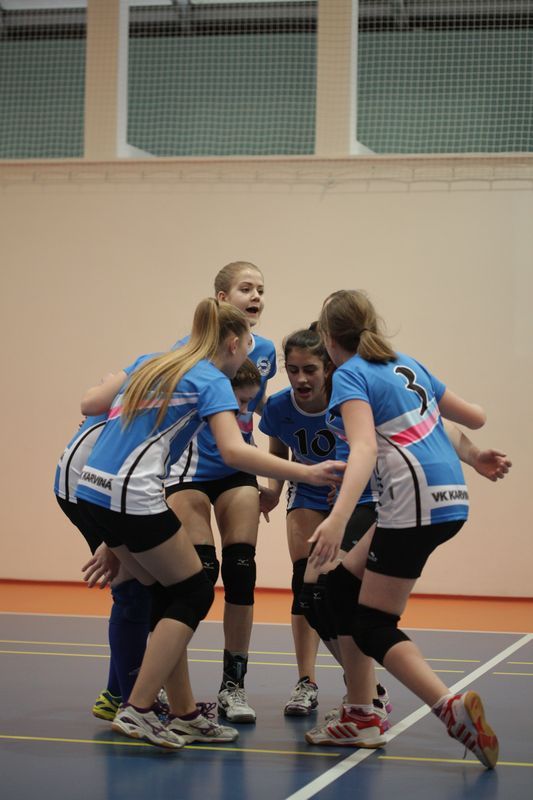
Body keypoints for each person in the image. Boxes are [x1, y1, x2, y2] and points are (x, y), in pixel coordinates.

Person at [74, 298, 345, 750]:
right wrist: (308, 472)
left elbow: (92, 402)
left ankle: (183, 713)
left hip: (91, 489)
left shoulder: (152, 361)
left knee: (166, 593)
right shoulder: (212, 379)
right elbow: (235, 452)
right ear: (234, 344)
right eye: (248, 348)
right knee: (194, 591)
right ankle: (139, 707)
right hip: (132, 493)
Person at [307, 289, 503, 769]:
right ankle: (360, 713)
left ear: (329, 338)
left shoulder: (350, 373)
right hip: (448, 496)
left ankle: (449, 708)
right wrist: (475, 454)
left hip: (412, 501)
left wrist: (337, 519)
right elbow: (471, 417)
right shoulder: (406, 364)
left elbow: (364, 449)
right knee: (338, 590)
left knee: (373, 624)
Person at [165, 261, 277, 724]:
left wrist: (276, 482)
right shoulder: (186, 351)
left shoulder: (265, 351)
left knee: (241, 571)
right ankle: (175, 691)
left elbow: (266, 410)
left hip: (238, 471)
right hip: (189, 472)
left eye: (261, 289)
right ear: (222, 298)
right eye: (246, 288)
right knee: (198, 576)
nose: (256, 296)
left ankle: (234, 686)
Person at [259, 327, 388, 719]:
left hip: (359, 499)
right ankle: (307, 682)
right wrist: (274, 489)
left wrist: (347, 488)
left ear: (327, 368)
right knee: (304, 589)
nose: (301, 378)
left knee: (334, 590)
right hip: (307, 496)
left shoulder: (349, 401)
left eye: (310, 370)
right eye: (293, 369)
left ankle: (363, 684)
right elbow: (278, 449)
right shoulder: (278, 407)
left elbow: (371, 449)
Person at [54, 362, 154, 722]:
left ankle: (118, 694)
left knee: (139, 588)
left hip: (87, 480)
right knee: (134, 590)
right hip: (91, 485)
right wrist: (111, 538)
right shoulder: (192, 391)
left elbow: (101, 391)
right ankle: (131, 702)